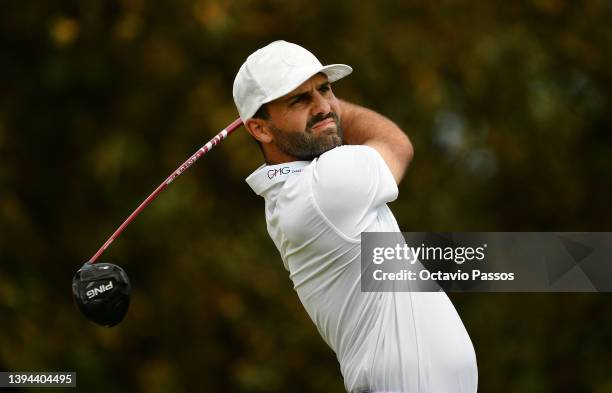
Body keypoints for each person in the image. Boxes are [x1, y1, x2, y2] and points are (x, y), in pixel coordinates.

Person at [234, 40, 478, 393]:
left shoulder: (295, 193)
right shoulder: (325, 187)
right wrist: (331, 110)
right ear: (259, 128)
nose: (322, 106)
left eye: (325, 89)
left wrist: (315, 108)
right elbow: (395, 143)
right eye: (299, 99)